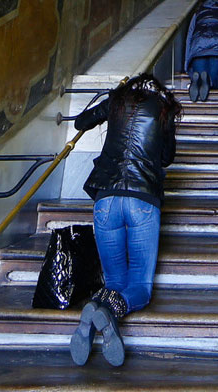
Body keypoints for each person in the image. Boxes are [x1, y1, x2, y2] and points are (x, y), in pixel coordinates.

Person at [70, 74, 180, 367]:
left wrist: (111, 101)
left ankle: (95, 307)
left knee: (115, 280)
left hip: (106, 199)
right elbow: (167, 157)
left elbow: (81, 123)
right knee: (140, 287)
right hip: (142, 200)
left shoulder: (117, 102)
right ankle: (108, 311)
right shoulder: (163, 108)